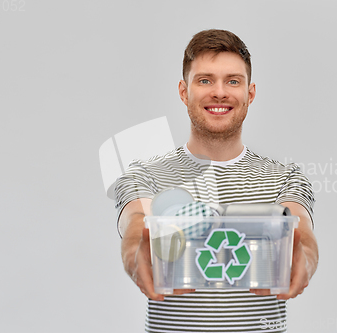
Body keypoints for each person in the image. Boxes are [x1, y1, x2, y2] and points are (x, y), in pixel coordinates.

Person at [115, 29, 318, 333]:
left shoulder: (285, 178)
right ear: (184, 92)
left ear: (250, 93)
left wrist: (307, 254)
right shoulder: (145, 174)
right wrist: (134, 248)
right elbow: (135, 219)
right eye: (205, 80)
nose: (220, 92)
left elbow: (300, 225)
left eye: (233, 81)